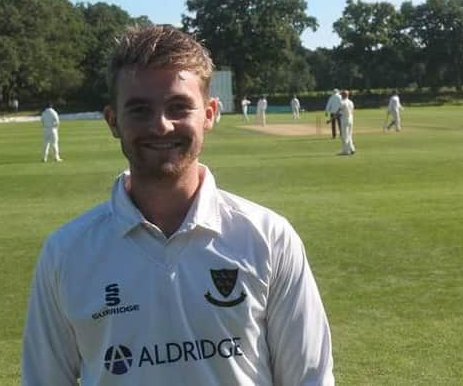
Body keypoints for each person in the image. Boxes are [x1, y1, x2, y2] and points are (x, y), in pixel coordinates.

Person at [22, 25, 334, 385]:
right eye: (139, 110)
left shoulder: (268, 238)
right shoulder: (66, 252)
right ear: (112, 121)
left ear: (210, 113)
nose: (161, 125)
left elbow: (311, 379)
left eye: (178, 107)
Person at [338, 90, 355, 156]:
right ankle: (352, 149)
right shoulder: (351, 102)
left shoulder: (342, 102)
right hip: (350, 120)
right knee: (349, 135)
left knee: (344, 136)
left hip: (344, 120)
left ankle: (345, 151)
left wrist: (332, 118)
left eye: (341, 95)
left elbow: (339, 111)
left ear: (343, 95)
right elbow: (352, 111)